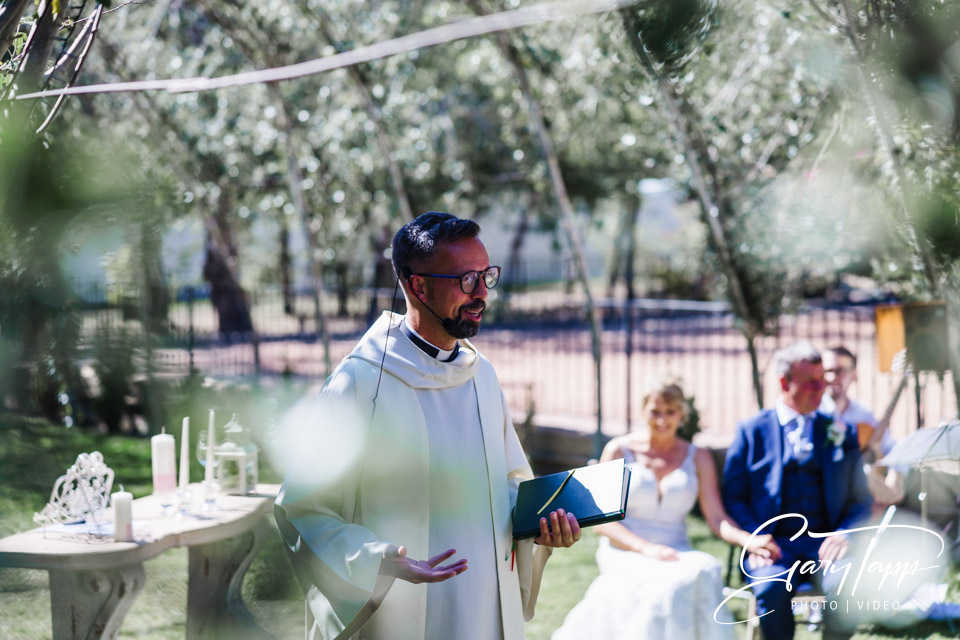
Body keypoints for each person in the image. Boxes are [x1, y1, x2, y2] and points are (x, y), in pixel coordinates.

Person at [273, 212, 581, 640]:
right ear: (419, 286)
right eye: (466, 280)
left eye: (486, 275)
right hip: (400, 612)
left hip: (485, 608)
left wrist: (543, 524)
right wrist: (376, 559)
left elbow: (504, 487)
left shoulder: (481, 374)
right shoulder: (360, 382)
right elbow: (303, 510)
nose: (482, 294)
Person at [552, 379, 780, 640]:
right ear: (643, 411)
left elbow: (717, 518)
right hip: (625, 549)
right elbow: (602, 522)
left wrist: (748, 539)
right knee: (666, 588)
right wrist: (646, 549)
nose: (662, 420)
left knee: (704, 569)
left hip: (676, 549)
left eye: (670, 412)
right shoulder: (618, 449)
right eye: (655, 412)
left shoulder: (699, 456)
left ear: (681, 414)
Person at [722, 341, 873, 640]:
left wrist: (845, 533)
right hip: (773, 547)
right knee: (769, 587)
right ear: (783, 382)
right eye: (810, 382)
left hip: (826, 545)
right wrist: (755, 537)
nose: (821, 387)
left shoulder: (841, 432)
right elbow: (734, 498)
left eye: (822, 379)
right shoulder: (751, 431)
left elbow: (861, 501)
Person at [820, 345, 904, 510]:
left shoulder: (862, 414)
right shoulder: (813, 414)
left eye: (839, 371)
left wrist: (893, 479)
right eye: (826, 371)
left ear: (854, 375)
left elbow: (892, 448)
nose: (831, 377)